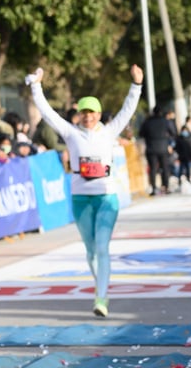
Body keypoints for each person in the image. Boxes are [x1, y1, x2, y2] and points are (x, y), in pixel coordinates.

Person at [26, 64, 143, 318]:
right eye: (84, 113)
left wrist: (136, 85)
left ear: (99, 114)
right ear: (78, 115)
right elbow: (46, 113)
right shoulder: (70, 133)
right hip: (81, 199)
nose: (88, 117)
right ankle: (100, 284)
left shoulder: (110, 131)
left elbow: (127, 110)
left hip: (106, 198)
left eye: (92, 113)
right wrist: (36, 85)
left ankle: (101, 298)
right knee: (91, 251)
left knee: (102, 248)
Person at [138, 105, 177, 195]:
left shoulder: (147, 122)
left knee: (153, 169)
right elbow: (173, 133)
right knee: (165, 168)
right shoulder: (165, 121)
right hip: (163, 148)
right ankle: (165, 187)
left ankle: (154, 188)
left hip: (151, 148)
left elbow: (141, 134)